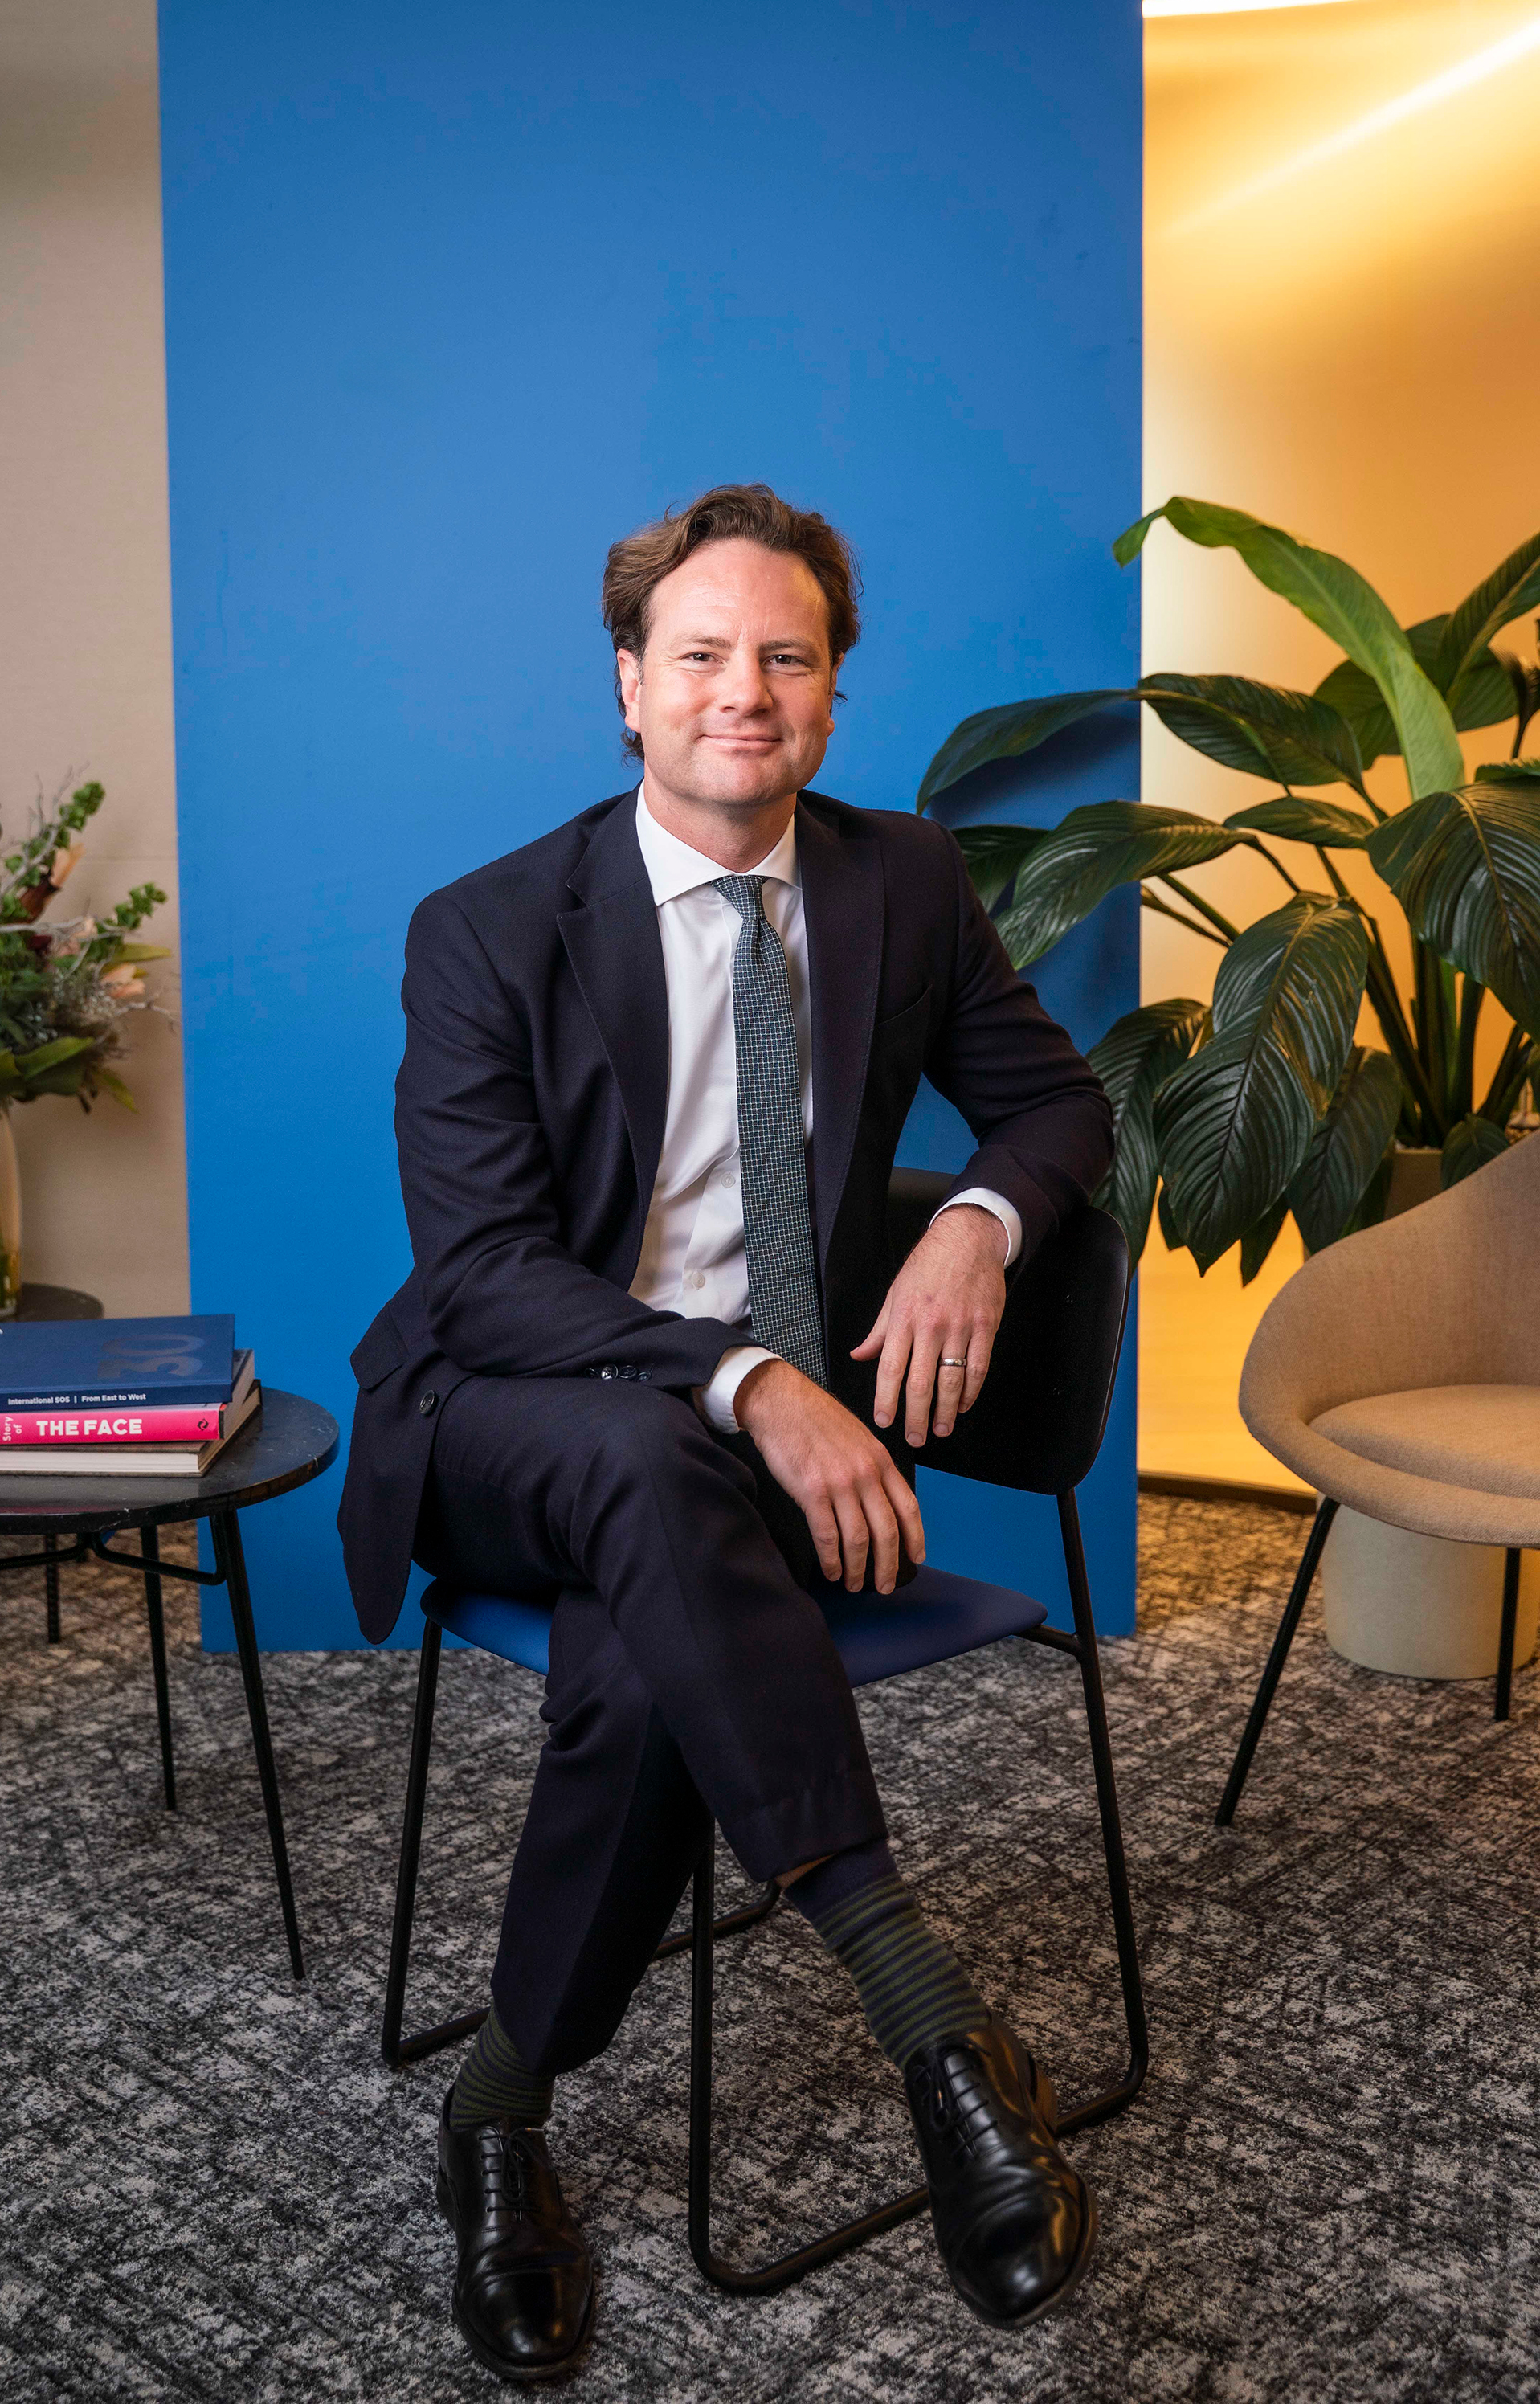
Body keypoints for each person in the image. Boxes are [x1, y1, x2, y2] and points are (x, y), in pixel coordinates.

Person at [338, 482, 1116, 2383]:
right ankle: (934, 2022)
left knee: (640, 1660)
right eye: (699, 655)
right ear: (628, 684)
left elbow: (1057, 1109)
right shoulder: (488, 927)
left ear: (833, 688)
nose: (741, 693)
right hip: (510, 1417)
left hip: (733, 1474)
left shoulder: (898, 882)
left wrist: (971, 1226)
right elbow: (483, 1274)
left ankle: (494, 2115)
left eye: (785, 656)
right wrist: (756, 1382)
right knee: (640, 1453)